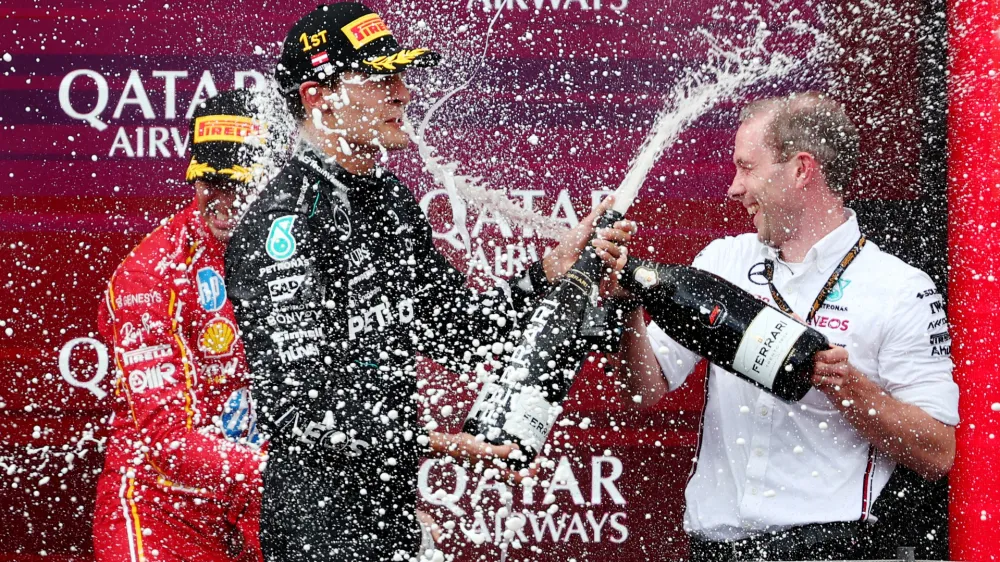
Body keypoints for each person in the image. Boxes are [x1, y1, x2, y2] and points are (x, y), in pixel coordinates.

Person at [223, 3, 633, 562]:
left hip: (391, 514)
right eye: (377, 79)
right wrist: (441, 444)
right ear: (317, 96)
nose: (402, 94)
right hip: (318, 528)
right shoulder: (285, 222)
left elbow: (460, 333)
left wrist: (550, 270)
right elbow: (298, 408)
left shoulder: (391, 201)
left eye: (401, 76)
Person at [615, 91, 959, 561]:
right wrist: (628, 307)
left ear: (801, 170)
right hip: (712, 548)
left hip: (825, 549)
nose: (734, 188)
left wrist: (845, 384)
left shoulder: (899, 289)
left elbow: (937, 453)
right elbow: (645, 388)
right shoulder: (724, 260)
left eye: (747, 167)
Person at [94, 90, 268, 562]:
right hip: (163, 512)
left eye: (241, 181)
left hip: (261, 504)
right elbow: (169, 444)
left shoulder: (295, 250)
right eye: (212, 180)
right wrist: (294, 474)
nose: (225, 198)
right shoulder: (150, 274)